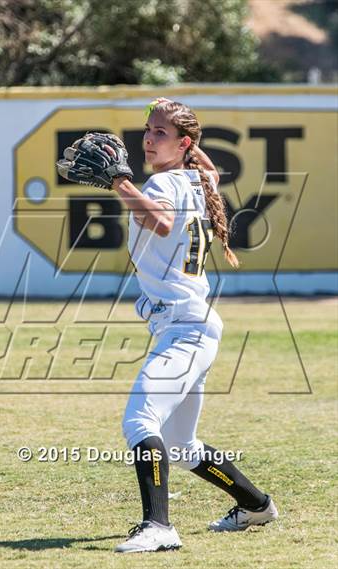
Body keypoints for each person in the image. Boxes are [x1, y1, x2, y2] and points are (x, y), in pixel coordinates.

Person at [110, 99, 278, 554]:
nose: (148, 138)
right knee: (181, 446)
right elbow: (211, 170)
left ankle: (158, 527)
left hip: (184, 326)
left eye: (159, 133)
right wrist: (186, 144)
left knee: (140, 419)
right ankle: (256, 504)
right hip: (192, 324)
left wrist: (118, 180)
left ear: (183, 143)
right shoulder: (197, 178)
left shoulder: (165, 181)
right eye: (147, 129)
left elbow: (160, 222)